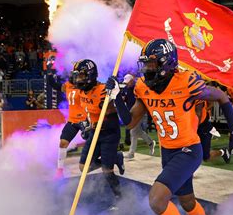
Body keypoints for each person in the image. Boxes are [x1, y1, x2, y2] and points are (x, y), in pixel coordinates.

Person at [106, 39, 233, 215]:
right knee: (188, 201)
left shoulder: (186, 81)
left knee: (157, 200)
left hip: (189, 149)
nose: (148, 69)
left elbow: (221, 96)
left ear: (167, 64)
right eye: (146, 64)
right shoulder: (143, 86)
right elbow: (130, 122)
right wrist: (116, 98)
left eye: (152, 64)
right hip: (168, 152)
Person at [73, 59, 125, 202]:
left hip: (109, 133)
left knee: (107, 171)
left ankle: (120, 198)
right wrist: (86, 124)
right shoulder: (81, 92)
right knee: (83, 167)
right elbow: (88, 112)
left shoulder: (103, 90)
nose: (78, 79)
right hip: (94, 132)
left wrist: (108, 105)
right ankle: (115, 157)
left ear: (90, 75)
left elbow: (114, 111)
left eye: (81, 76)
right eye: (77, 76)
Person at [47, 70, 86, 178]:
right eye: (75, 77)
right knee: (63, 142)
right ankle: (60, 170)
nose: (77, 79)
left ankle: (106, 159)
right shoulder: (68, 85)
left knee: (92, 141)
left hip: (85, 120)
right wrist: (49, 73)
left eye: (78, 77)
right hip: (72, 120)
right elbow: (54, 85)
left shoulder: (85, 87)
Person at [121, 74, 156, 159]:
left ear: (132, 81)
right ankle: (150, 142)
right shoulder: (126, 89)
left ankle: (131, 153)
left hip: (140, 112)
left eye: (128, 82)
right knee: (137, 132)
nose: (126, 84)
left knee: (133, 132)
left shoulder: (138, 87)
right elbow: (123, 99)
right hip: (131, 113)